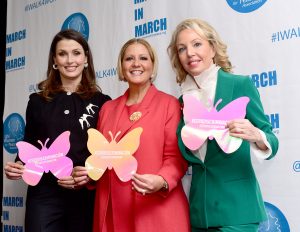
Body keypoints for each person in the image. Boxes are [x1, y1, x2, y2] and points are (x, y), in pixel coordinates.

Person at [168, 18, 279, 232]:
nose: (190, 53)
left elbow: (271, 139)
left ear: (212, 47)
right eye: (182, 48)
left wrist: (257, 135)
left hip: (237, 209)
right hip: (200, 212)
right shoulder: (182, 101)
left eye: (197, 44)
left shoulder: (239, 85)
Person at [4, 29, 111, 232]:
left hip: (85, 195)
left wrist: (89, 175)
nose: (70, 60)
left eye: (76, 53)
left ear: (86, 58)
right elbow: (29, 146)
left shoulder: (102, 102)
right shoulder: (37, 101)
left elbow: (105, 155)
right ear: (54, 60)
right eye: (62, 54)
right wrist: (18, 166)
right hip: (44, 195)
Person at [90, 38, 190, 232]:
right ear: (121, 66)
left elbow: (176, 156)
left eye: (143, 58)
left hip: (156, 207)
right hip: (113, 209)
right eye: (129, 58)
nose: (136, 64)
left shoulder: (169, 104)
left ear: (152, 66)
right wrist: (89, 173)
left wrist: (161, 181)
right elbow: (101, 157)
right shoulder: (107, 109)